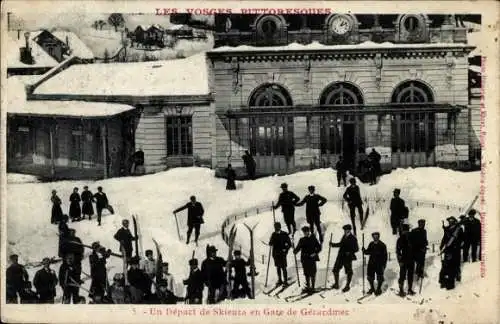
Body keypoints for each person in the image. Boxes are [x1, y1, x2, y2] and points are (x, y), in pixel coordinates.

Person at [330, 224, 359, 293]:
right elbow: (341, 244)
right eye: (345, 230)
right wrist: (333, 244)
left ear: (350, 230)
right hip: (340, 256)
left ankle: (347, 286)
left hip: (347, 257)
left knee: (349, 271)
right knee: (335, 270)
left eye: (347, 230)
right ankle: (336, 284)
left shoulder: (353, 238)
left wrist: (350, 252)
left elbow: (356, 249)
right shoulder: (344, 236)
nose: (346, 231)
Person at [294, 226, 322, 294]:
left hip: (312, 259)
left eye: (306, 232)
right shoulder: (302, 239)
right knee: (306, 273)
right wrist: (295, 250)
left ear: (308, 231)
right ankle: (308, 287)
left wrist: (315, 253)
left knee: (312, 273)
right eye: (304, 232)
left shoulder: (313, 238)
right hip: (305, 259)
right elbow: (298, 248)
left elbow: (319, 247)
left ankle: (312, 287)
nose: (305, 233)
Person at [439, 216, 464, 290]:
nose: (450, 222)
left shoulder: (459, 229)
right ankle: (443, 282)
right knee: (445, 266)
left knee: (454, 266)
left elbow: (462, 239)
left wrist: (457, 245)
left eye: (452, 220)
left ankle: (451, 284)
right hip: (448, 249)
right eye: (449, 220)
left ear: (454, 221)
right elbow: (444, 238)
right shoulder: (447, 229)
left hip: (455, 250)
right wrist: (441, 246)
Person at [396, 224, 415, 296]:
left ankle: (409, 289)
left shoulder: (412, 238)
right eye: (405, 231)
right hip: (403, 260)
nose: (406, 232)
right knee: (402, 276)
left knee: (410, 275)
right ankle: (401, 290)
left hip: (411, 260)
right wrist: (400, 261)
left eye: (407, 230)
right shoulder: (400, 239)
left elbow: (415, 249)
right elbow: (398, 251)